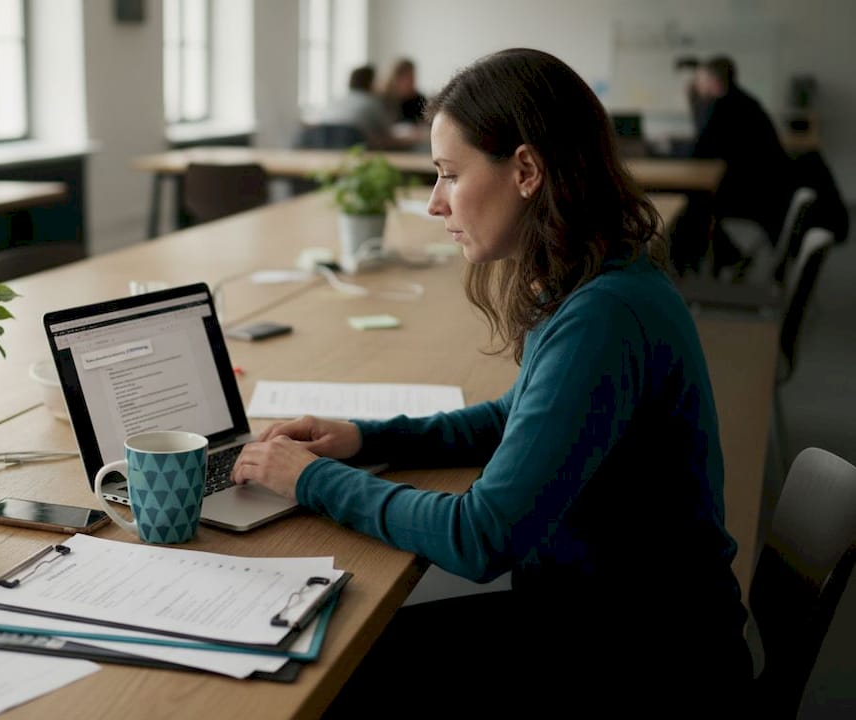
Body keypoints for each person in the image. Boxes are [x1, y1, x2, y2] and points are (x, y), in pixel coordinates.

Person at [231, 48, 750, 713]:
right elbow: (511, 416)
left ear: (527, 171)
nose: (434, 202)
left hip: (642, 662)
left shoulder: (605, 315)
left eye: (449, 175)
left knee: (330, 671)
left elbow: (480, 537)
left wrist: (311, 480)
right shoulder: (600, 278)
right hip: (607, 620)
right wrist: (363, 438)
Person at [692, 55, 794, 270]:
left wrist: (695, 103)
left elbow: (700, 151)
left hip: (756, 193)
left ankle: (711, 260)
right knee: (700, 200)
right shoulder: (743, 100)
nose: (697, 84)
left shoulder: (724, 105)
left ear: (713, 81)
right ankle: (726, 256)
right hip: (770, 188)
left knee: (696, 203)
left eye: (701, 79)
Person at [318, 65, 415, 150]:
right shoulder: (371, 102)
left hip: (322, 148)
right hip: (354, 147)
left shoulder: (337, 100)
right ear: (371, 82)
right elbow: (388, 133)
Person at [382, 58, 425, 125]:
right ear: (396, 78)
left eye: (412, 77)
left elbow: (425, 123)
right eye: (408, 78)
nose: (412, 82)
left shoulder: (419, 100)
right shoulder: (384, 99)